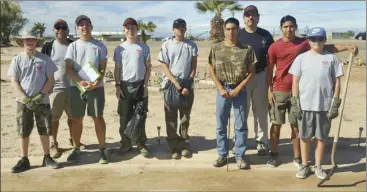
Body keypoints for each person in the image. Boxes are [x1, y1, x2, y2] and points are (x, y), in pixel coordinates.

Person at [266, 15, 358, 168]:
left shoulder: (304, 42)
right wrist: (269, 90)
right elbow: (270, 70)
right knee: (276, 124)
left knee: (296, 125)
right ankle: (274, 154)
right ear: (281, 28)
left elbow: (327, 47)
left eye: (291, 26)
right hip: (279, 90)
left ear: (296, 27)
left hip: (300, 92)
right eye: (285, 27)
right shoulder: (274, 47)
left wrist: (347, 46)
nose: (289, 29)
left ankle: (297, 157)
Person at [289, 27, 343, 179]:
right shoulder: (301, 58)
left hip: (324, 106)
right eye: (313, 39)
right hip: (305, 105)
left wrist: (335, 103)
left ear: (325, 40)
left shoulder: (332, 58)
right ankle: (305, 166)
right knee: (305, 137)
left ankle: (318, 166)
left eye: (320, 39)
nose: (316, 42)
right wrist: (295, 101)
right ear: (308, 41)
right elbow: (295, 82)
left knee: (321, 137)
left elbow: (337, 82)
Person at [8, 31, 61, 173]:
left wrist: (41, 95)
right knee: (23, 130)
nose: (30, 42)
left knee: (44, 129)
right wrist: (24, 97)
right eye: (27, 39)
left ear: (37, 42)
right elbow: (14, 81)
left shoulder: (45, 59)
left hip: (42, 101)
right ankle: (24, 158)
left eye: (33, 39)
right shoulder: (17, 60)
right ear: (22, 42)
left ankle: (47, 157)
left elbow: (50, 79)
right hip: (23, 102)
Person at [209, 17, 257, 169]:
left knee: (240, 126)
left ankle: (240, 156)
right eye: (228, 29)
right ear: (224, 30)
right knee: (221, 125)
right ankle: (222, 155)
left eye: (234, 29)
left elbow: (252, 72)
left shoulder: (246, 49)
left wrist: (238, 88)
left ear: (238, 29)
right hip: (222, 90)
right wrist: (220, 88)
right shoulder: (216, 48)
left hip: (239, 91)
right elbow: (211, 70)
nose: (231, 32)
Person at [65, 15, 110, 164]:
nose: (84, 27)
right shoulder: (73, 46)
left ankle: (102, 149)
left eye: (87, 24)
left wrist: (96, 82)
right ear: (77, 28)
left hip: (96, 88)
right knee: (76, 119)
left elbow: (103, 68)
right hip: (76, 87)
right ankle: (76, 148)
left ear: (91, 26)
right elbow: (69, 69)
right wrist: (80, 81)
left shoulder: (100, 46)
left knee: (98, 117)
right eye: (81, 25)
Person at [41, 19, 84, 158]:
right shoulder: (48, 46)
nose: (61, 30)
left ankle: (74, 141)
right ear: (54, 30)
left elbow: (81, 64)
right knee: (54, 118)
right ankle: (54, 144)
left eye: (64, 28)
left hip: (74, 87)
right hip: (55, 88)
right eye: (58, 27)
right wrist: (44, 86)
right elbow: (42, 67)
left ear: (67, 30)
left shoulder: (74, 45)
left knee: (73, 117)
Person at [157, 18, 198, 159]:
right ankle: (173, 145)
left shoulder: (192, 45)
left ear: (185, 29)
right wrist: (177, 84)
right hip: (171, 85)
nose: (180, 29)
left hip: (187, 84)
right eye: (177, 27)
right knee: (171, 117)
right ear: (173, 29)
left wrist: (187, 83)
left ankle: (184, 143)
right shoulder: (167, 45)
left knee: (185, 117)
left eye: (183, 27)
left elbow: (193, 67)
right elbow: (164, 67)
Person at [237, 5, 274, 156]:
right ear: (244, 18)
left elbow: (272, 58)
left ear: (258, 17)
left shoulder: (265, 35)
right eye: (247, 15)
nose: (250, 17)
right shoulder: (237, 35)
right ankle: (242, 141)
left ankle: (261, 141)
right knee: (242, 112)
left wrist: (270, 82)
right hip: (242, 79)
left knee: (260, 112)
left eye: (253, 15)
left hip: (260, 76)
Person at [113, 18, 151, 157]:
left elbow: (148, 67)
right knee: (124, 116)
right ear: (124, 30)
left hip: (140, 85)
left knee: (140, 116)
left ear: (137, 29)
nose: (130, 30)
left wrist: (146, 85)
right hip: (125, 86)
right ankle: (126, 143)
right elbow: (117, 68)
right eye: (127, 27)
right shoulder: (119, 49)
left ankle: (141, 143)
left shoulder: (144, 47)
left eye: (132, 27)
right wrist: (117, 86)